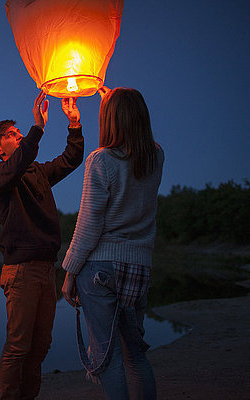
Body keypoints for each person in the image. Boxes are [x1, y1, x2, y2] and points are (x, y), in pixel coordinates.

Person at [61, 86, 164, 399]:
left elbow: (90, 225)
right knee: (136, 353)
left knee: (107, 358)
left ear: (110, 119)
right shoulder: (156, 156)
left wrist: (69, 271)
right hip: (139, 265)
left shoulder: (100, 160)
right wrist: (114, 95)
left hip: (100, 267)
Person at [0, 90, 84, 400]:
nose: (21, 135)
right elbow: (14, 168)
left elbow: (71, 160)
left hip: (45, 268)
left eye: (20, 132)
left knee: (41, 345)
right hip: (21, 270)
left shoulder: (37, 171)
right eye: (14, 134)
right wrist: (38, 128)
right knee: (18, 344)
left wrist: (74, 126)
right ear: (0, 148)